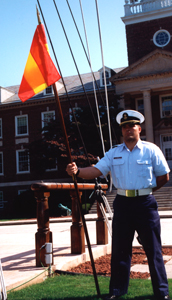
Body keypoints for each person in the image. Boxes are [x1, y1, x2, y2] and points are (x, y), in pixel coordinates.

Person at [66, 110, 171, 300]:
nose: (129, 129)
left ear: (139, 128)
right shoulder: (113, 153)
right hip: (122, 204)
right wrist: (78, 171)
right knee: (121, 249)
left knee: (153, 249)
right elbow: (97, 170)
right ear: (121, 131)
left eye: (132, 125)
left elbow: (164, 176)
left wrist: (146, 191)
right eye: (125, 126)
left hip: (146, 204)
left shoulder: (151, 149)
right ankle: (117, 290)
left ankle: (161, 292)